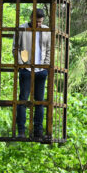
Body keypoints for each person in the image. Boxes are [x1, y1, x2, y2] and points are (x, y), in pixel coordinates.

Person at [13, 8, 51, 138]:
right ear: (31, 18)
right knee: (23, 99)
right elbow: (16, 48)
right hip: (26, 68)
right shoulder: (22, 29)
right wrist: (22, 64)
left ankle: (38, 131)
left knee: (40, 101)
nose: (38, 24)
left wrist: (45, 65)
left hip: (41, 69)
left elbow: (49, 49)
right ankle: (21, 131)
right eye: (36, 21)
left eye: (40, 22)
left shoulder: (46, 30)